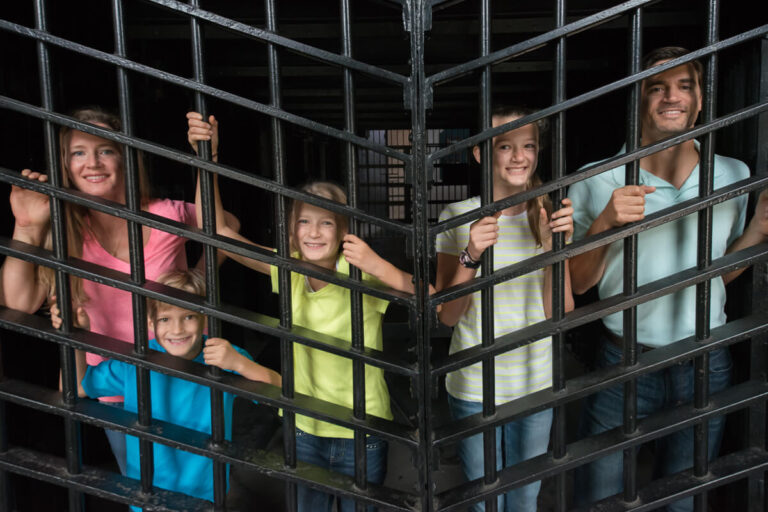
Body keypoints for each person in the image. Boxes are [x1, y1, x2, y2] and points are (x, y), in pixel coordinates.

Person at [186, 111, 430, 512]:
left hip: (362, 428)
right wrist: (205, 157)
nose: (314, 232)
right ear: (292, 229)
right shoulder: (290, 269)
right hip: (303, 426)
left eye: (326, 223)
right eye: (304, 222)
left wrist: (378, 266)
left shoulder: (361, 274)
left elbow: (427, 296)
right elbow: (215, 234)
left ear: (344, 229)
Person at [569, 47, 768, 511]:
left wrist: (757, 232)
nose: (671, 97)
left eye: (684, 86)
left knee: (681, 500)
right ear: (638, 100)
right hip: (624, 360)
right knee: (599, 496)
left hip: (706, 359)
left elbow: (723, 274)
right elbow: (577, 286)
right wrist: (604, 224)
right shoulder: (597, 180)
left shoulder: (733, 176)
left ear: (700, 101)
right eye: (656, 87)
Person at [0, 107, 239, 474]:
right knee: (144, 484)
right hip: (114, 385)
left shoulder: (165, 213)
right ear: (65, 164)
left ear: (125, 156)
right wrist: (26, 228)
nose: (92, 162)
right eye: (79, 152)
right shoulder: (65, 228)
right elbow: (19, 303)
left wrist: (197, 280)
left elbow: (224, 229)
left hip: (184, 373)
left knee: (203, 485)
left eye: (105, 150)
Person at [434, 105, 575, 512]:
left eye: (528, 145)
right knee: (484, 501)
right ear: (481, 154)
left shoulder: (552, 214)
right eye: (505, 146)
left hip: (535, 381)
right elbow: (447, 315)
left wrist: (553, 250)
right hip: (475, 384)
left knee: (525, 498)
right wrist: (472, 253)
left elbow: (561, 312)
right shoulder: (457, 217)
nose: (519, 156)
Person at [52, 269, 281, 510]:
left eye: (188, 316)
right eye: (165, 319)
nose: (178, 329)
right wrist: (76, 337)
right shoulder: (135, 362)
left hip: (205, 499)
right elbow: (74, 388)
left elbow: (277, 392)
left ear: (204, 317)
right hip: (148, 497)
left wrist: (240, 364)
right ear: (150, 322)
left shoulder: (221, 356)